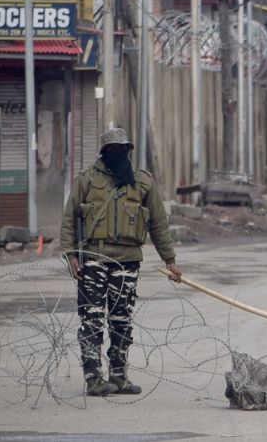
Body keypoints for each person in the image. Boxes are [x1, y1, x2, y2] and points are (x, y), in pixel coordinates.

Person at [60, 128, 182, 397]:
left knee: (121, 320)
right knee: (92, 319)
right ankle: (93, 378)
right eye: (112, 149)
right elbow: (69, 218)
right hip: (94, 258)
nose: (118, 153)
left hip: (127, 261)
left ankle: (119, 376)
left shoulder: (143, 181)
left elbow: (158, 224)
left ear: (128, 151)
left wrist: (170, 260)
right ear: (104, 152)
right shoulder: (87, 179)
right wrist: (71, 254)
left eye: (122, 149)